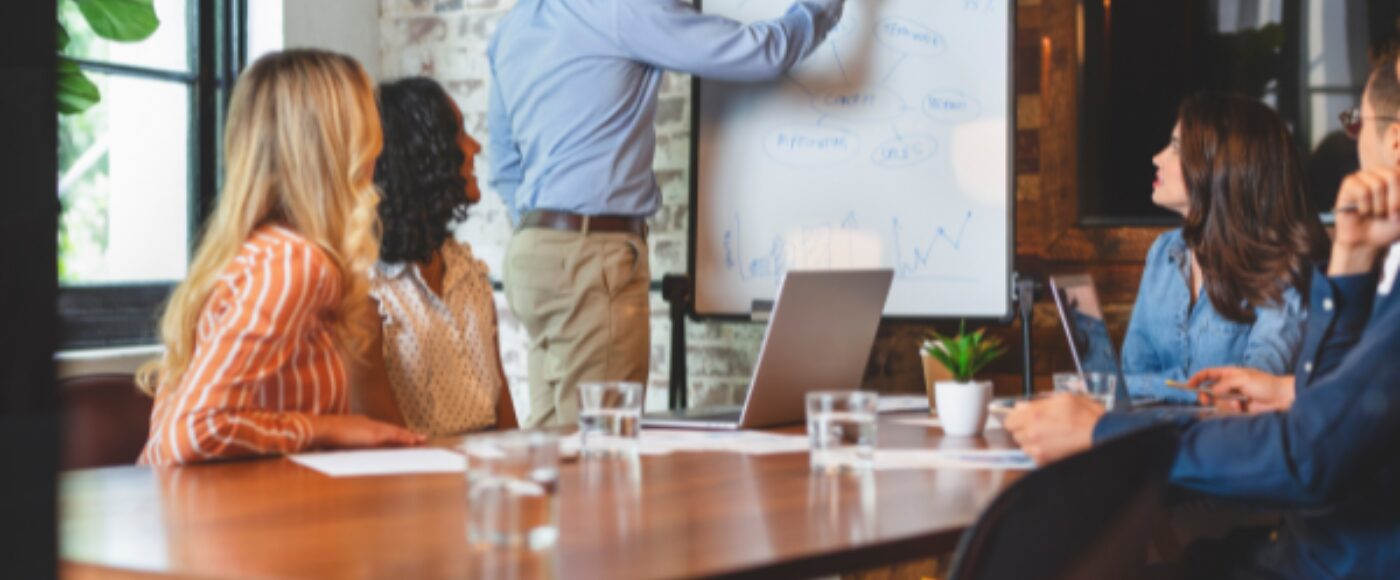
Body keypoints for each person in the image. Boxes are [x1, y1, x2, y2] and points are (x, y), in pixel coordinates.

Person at [1005, 48, 1400, 579]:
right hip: (1306, 546)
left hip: (1328, 558)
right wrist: (1350, 261)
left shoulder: (1291, 267)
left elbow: (1308, 456)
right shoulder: (1167, 254)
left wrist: (1104, 432)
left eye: (1355, 125)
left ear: (1393, 143)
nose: (1156, 158)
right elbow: (1335, 406)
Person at [487, 0, 846, 426]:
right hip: (591, 255)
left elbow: (505, 168)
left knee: (551, 444)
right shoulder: (620, 10)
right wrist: (819, 9)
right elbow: (758, 52)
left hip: (532, 252)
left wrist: (552, 234)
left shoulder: (511, 29)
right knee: (598, 448)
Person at [137, 50, 423, 466]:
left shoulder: (258, 252)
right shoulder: (294, 263)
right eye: (366, 124)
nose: (377, 148)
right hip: (222, 523)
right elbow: (194, 430)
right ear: (335, 144)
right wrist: (330, 428)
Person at [1118, 92, 1329, 404]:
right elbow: (1128, 376)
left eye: (1176, 148)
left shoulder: (1281, 265)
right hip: (1159, 438)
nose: (1157, 158)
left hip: (1239, 445)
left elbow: (1251, 389)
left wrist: (1161, 388)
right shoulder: (1163, 253)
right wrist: (1192, 392)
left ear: (1220, 166)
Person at [348, 77, 519, 437]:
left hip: (485, 481)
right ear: (417, 155)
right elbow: (389, 445)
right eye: (457, 134)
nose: (474, 147)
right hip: (417, 484)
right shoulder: (364, 290)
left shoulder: (468, 271)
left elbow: (503, 411)